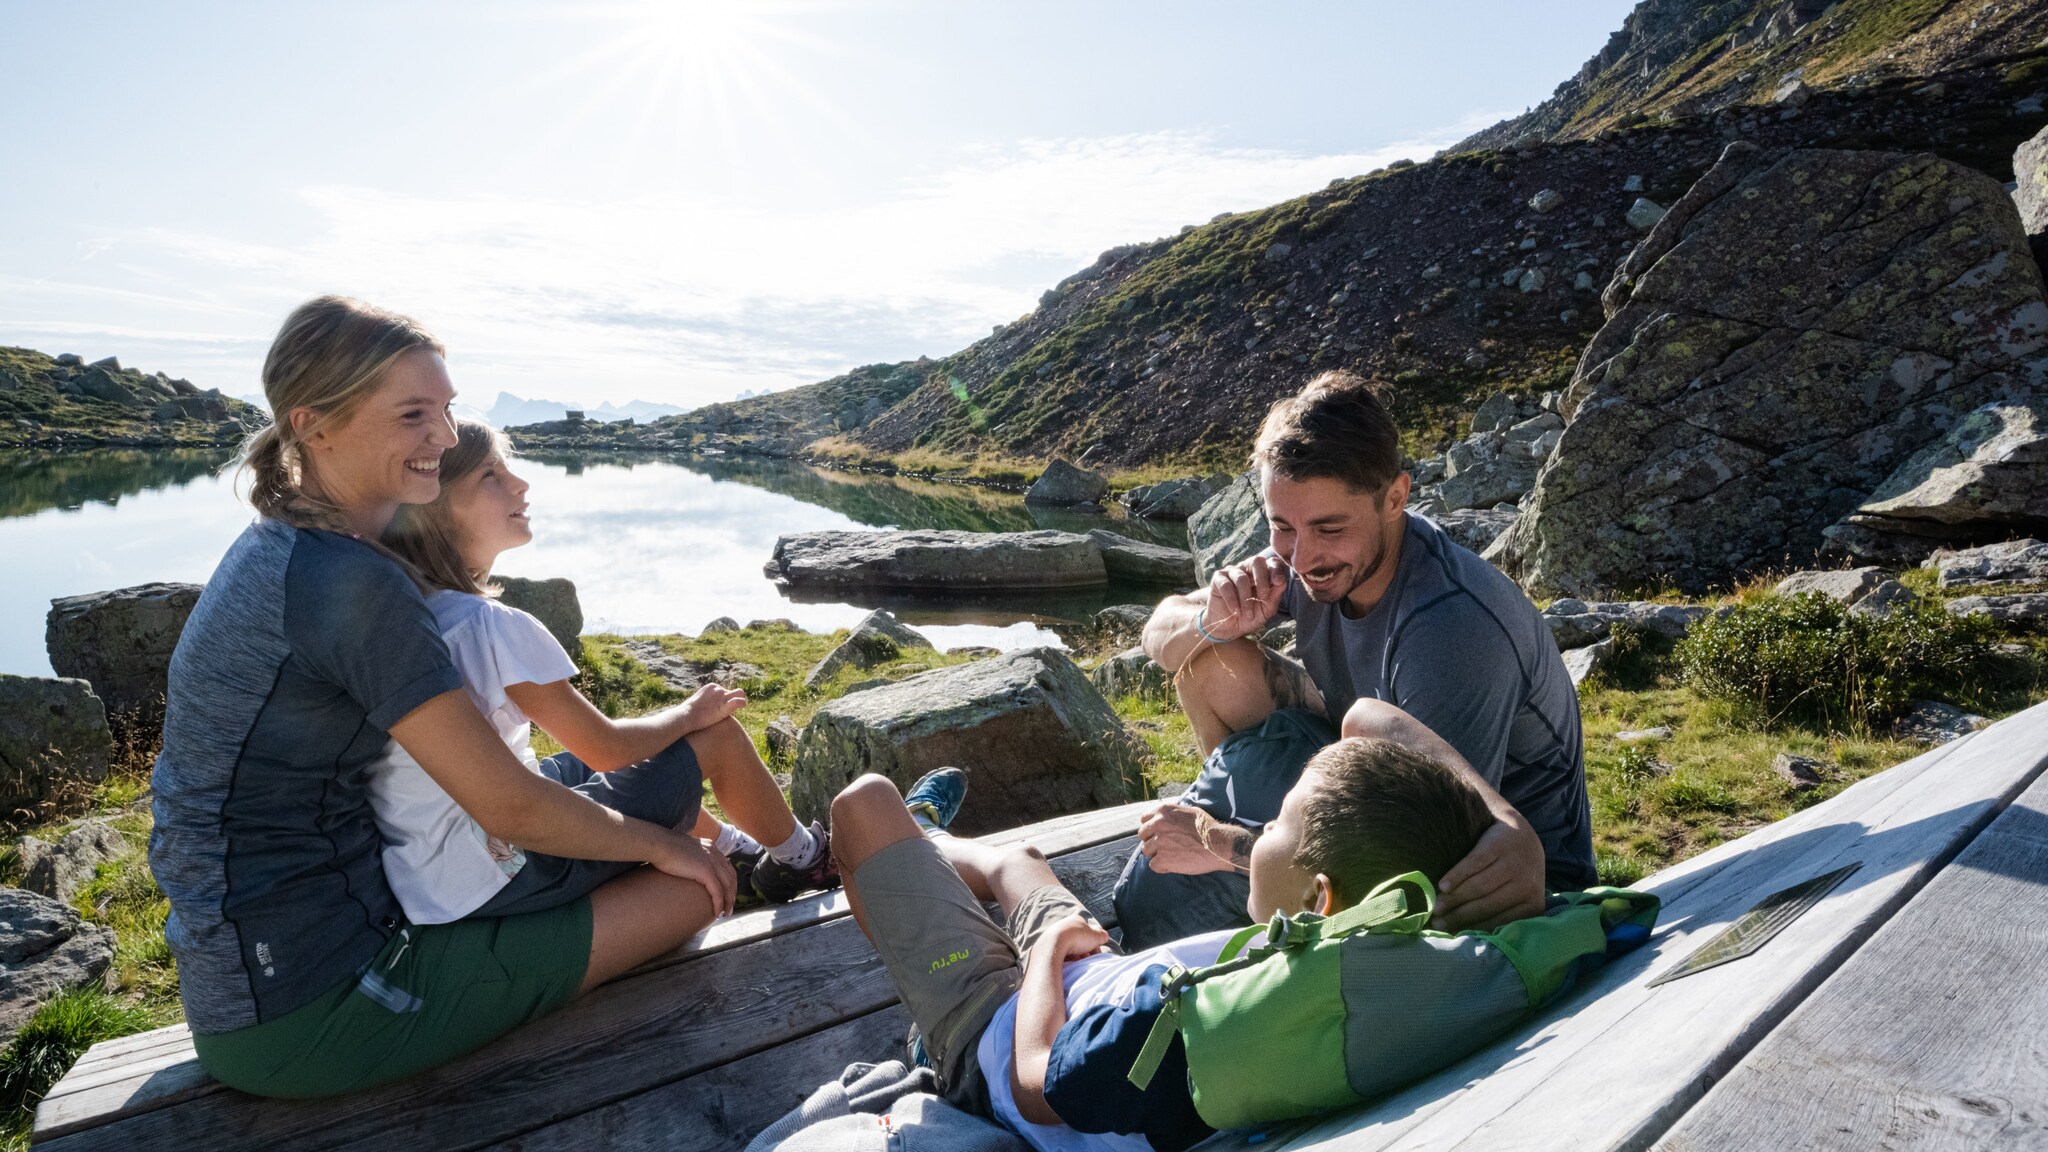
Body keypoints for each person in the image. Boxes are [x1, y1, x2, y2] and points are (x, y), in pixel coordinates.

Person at [151, 296, 744, 1099]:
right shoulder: (348, 583)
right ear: (315, 425)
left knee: (655, 861)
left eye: (448, 410)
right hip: (311, 1006)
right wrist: (661, 843)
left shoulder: (282, 547)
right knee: (692, 886)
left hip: (250, 972)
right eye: (412, 415)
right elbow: (512, 807)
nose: (443, 436)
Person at [827, 738, 1496, 1152]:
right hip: (1094, 975)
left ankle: (926, 994)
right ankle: (930, 843)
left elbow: (1038, 1081)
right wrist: (1507, 832)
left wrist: (1047, 957)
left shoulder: (1213, 1040)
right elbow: (1372, 722)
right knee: (1018, 860)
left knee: (862, 805)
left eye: (1274, 827)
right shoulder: (1347, 965)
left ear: (1322, 898)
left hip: (989, 1031)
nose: (1253, 838)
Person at [1126, 370, 1593, 946]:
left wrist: (1219, 842)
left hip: (1488, 886)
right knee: (1211, 661)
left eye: (1328, 527)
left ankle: (1259, 879)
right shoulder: (1313, 558)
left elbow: (1418, 856)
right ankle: (1264, 852)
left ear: (1395, 497)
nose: (1303, 555)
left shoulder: (1449, 631)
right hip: (1376, 781)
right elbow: (1159, 632)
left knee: (1181, 900)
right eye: (1281, 527)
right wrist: (1211, 619)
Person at [368, 419, 835, 924]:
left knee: (638, 748)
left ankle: (734, 846)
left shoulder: (416, 612)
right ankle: (804, 860)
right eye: (490, 476)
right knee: (714, 735)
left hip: (430, 868)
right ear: (435, 511)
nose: (520, 485)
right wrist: (690, 712)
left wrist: (673, 722)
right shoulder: (490, 625)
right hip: (498, 869)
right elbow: (606, 747)